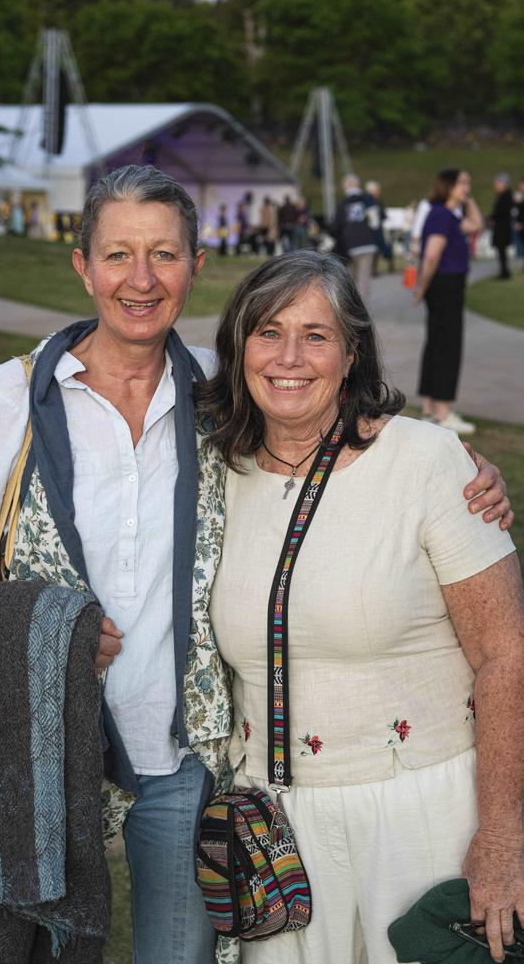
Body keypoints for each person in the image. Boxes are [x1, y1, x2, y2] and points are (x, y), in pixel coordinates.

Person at [0, 166, 511, 964]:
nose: (141, 278)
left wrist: (458, 469)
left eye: (164, 253)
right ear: (82, 265)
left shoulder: (214, 398)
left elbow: (331, 426)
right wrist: (36, 634)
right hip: (49, 750)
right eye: (118, 254)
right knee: (22, 942)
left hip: (183, 761)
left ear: (196, 265)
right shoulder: (9, 399)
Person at [195, 249, 523, 964]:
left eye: (316, 335)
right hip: (274, 826)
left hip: (420, 813)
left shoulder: (429, 464)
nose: (289, 356)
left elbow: (507, 654)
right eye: (268, 331)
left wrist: (501, 835)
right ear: (239, 347)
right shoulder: (216, 471)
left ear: (351, 354)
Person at [415, 168, 482, 435]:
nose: (468, 186)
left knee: (437, 344)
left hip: (445, 286)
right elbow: (432, 255)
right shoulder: (442, 215)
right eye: (463, 183)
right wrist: (421, 286)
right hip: (445, 286)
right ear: (449, 186)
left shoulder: (449, 214)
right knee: (447, 347)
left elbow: (476, 224)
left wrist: (468, 199)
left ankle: (431, 410)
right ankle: (442, 414)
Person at [329, 173, 378, 304]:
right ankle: (361, 308)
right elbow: (375, 222)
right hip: (367, 243)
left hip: (349, 245)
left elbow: (335, 227)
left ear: (346, 186)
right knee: (363, 278)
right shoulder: (367, 199)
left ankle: (350, 307)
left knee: (350, 278)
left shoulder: (342, 203)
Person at [488, 173, 514, 279]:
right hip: (501, 227)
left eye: (498, 183)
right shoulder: (503, 195)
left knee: (502, 251)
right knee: (501, 251)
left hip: (502, 228)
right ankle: (504, 271)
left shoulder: (506, 196)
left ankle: (504, 272)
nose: (496, 185)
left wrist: (492, 218)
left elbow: (501, 212)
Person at [365, 179, 394, 274]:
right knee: (375, 249)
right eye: (377, 190)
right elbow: (382, 215)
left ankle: (374, 269)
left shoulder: (374, 201)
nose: (379, 192)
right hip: (372, 230)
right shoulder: (372, 202)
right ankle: (373, 269)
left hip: (374, 229)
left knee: (376, 250)